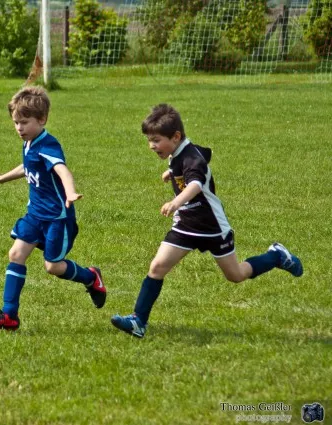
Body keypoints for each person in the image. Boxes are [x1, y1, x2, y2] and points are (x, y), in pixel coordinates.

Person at [111, 104, 303, 339]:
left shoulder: (191, 158)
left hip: (212, 227)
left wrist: (175, 202)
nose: (151, 146)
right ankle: (138, 321)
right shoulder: (182, 152)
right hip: (185, 225)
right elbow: (205, 153)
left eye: (156, 140)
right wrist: (173, 172)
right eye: (149, 140)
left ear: (176, 137)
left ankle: (276, 256)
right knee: (157, 267)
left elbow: (195, 183)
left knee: (235, 275)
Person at [0, 86, 106, 331]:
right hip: (35, 215)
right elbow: (28, 166)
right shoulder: (29, 143)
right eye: (16, 123)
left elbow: (62, 170)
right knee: (16, 254)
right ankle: (9, 314)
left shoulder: (48, 145)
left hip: (57, 218)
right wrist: (2, 178)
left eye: (24, 122)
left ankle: (91, 277)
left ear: (42, 119)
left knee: (53, 267)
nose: (19, 128)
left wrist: (70, 192)